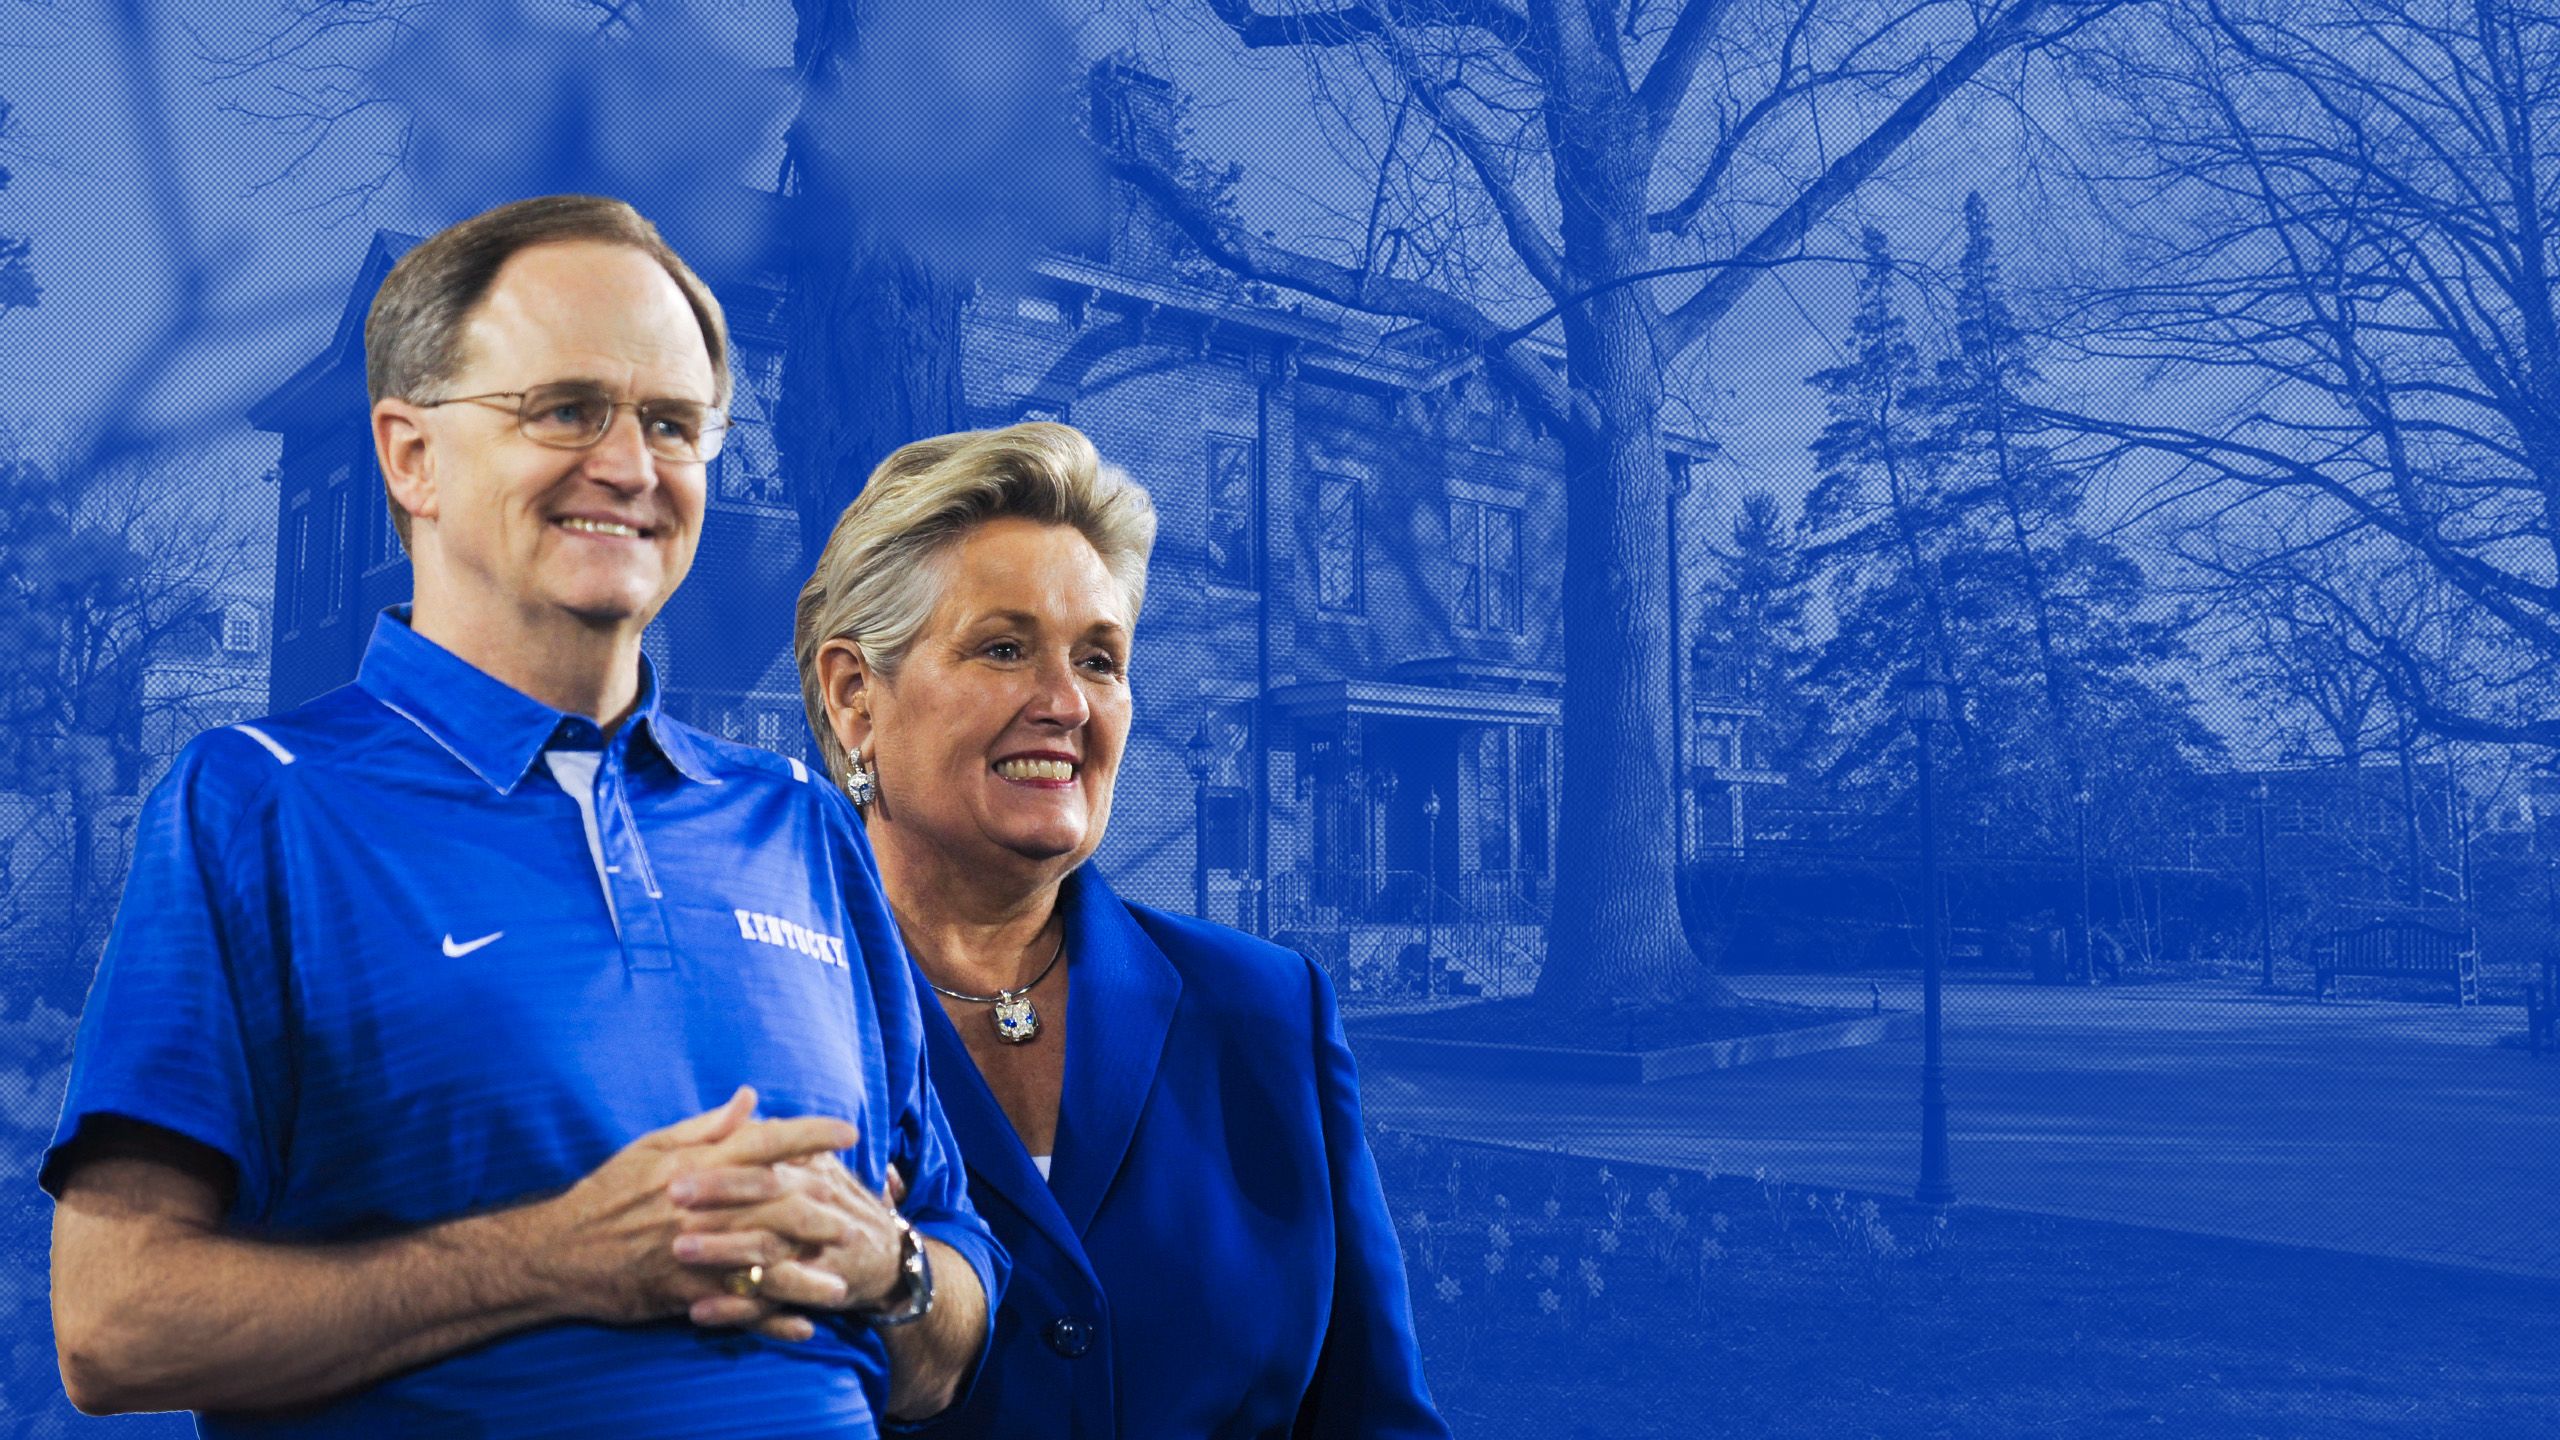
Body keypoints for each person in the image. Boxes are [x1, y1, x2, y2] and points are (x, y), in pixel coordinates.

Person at [43, 195, 1003, 1438]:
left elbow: (956, 1317)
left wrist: (892, 1272)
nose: (630, 464)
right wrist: (551, 1261)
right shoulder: (258, 803)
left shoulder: (801, 825)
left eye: (673, 423)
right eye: (565, 409)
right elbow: (114, 1325)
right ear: (410, 456)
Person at [793, 422, 1449, 1438]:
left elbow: (1374, 1419)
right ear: (852, 699)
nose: (1064, 703)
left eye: (1099, 660)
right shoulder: (757, 1007)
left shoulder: (1266, 1011)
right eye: (1003, 649)